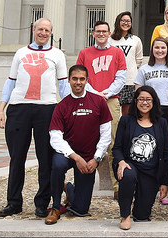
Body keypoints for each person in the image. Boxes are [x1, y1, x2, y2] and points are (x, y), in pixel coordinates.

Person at [0, 18, 68, 218]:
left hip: (47, 110)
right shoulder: (21, 53)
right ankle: (14, 202)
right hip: (19, 109)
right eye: (40, 29)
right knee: (16, 158)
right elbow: (10, 82)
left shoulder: (57, 55)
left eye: (47, 30)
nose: (43, 33)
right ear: (33, 30)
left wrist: (69, 108)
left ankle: (42, 202)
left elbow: (63, 85)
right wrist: (1, 109)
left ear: (51, 33)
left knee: (45, 159)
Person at [45, 65, 112, 225]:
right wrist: (75, 158)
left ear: (87, 80)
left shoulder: (98, 102)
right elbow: (55, 137)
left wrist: (96, 158)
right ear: (69, 80)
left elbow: (106, 134)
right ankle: (55, 206)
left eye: (82, 79)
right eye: (74, 78)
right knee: (58, 164)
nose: (78, 82)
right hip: (68, 155)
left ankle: (69, 188)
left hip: (89, 157)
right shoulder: (62, 106)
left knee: (81, 210)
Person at [76, 20, 127, 200]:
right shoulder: (84, 53)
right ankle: (82, 189)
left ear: (109, 33)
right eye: (98, 31)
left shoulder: (117, 52)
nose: (101, 34)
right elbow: (79, 77)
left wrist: (106, 93)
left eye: (104, 31)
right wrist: (96, 94)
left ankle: (117, 187)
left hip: (111, 101)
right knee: (87, 144)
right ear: (93, 34)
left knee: (113, 144)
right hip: (89, 101)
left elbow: (121, 77)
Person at [112, 86, 168, 230]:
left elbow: (165, 154)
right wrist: (121, 162)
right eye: (141, 99)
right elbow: (117, 148)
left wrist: (164, 182)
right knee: (127, 175)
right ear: (135, 101)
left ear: (154, 101)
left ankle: (139, 206)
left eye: (148, 99)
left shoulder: (161, 123)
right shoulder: (126, 120)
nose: (145, 103)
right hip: (130, 165)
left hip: (151, 172)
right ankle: (125, 215)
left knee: (142, 215)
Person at [134, 37, 168, 156]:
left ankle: (165, 174)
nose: (160, 50)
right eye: (157, 47)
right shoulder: (144, 70)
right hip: (150, 110)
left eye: (163, 47)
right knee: (150, 145)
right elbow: (137, 95)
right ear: (152, 50)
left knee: (167, 147)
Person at [109, 11, 143, 116]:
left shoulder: (135, 40)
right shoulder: (110, 40)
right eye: (123, 20)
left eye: (128, 21)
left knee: (127, 114)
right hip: (113, 81)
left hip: (130, 81)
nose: (126, 23)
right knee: (112, 113)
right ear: (118, 22)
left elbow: (139, 59)